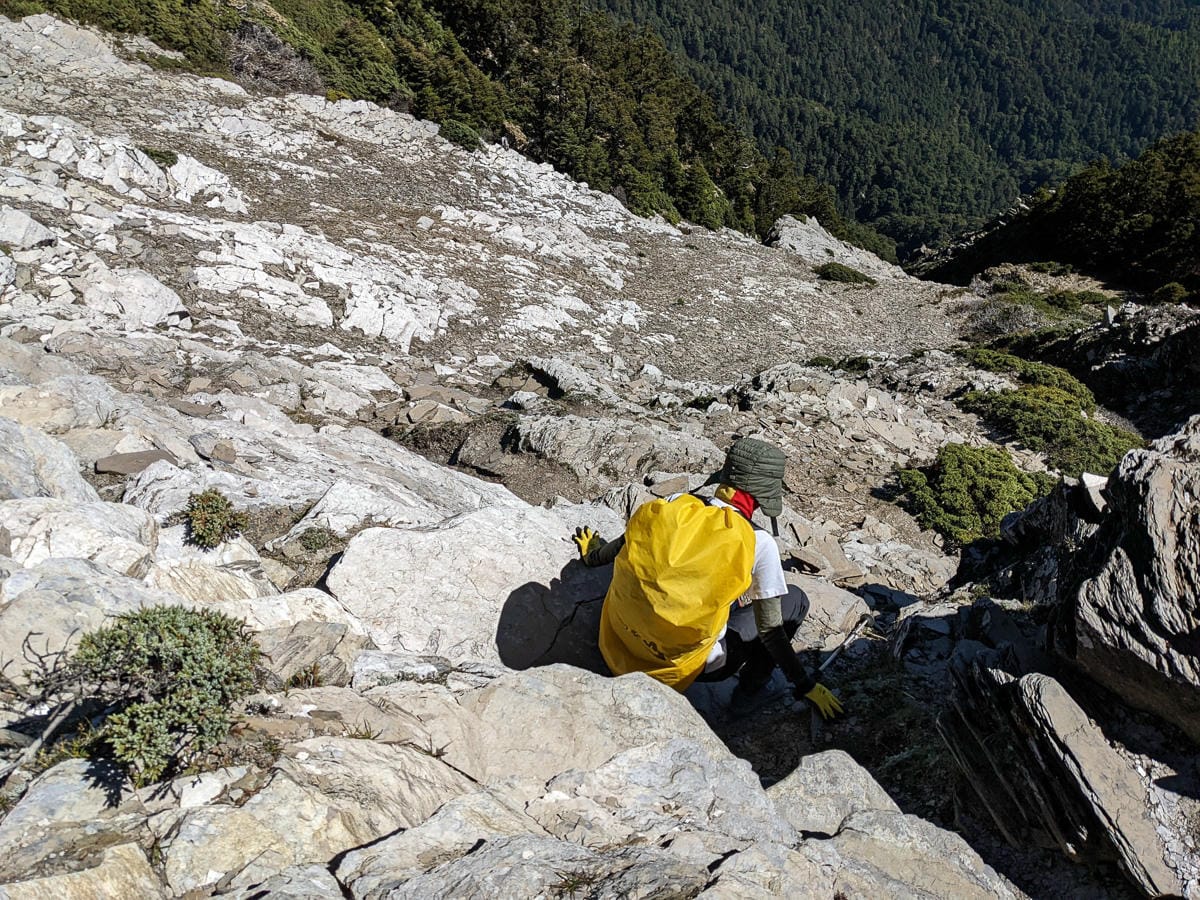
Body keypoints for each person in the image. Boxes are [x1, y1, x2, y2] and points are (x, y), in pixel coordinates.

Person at [572, 437, 844, 719]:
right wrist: (805, 684)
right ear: (764, 494)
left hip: (617, 639)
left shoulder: (673, 503)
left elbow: (618, 547)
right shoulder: (758, 542)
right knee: (795, 601)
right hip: (681, 668)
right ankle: (749, 692)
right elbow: (771, 630)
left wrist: (591, 553)